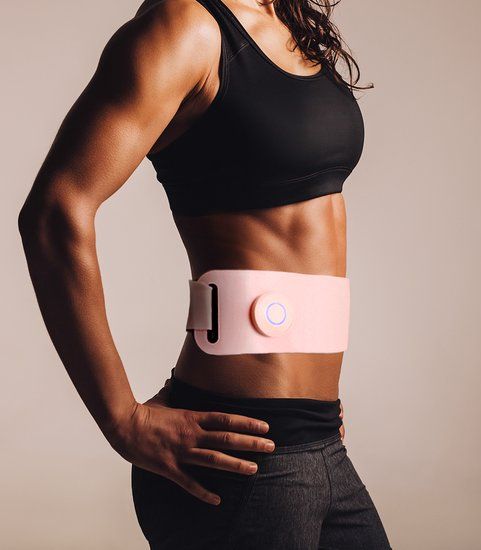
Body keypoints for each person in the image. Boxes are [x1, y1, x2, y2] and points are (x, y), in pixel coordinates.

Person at [18, 0, 392, 548]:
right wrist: (122, 420)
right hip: (238, 454)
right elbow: (54, 211)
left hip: (318, 434)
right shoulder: (185, 28)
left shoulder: (286, 21)